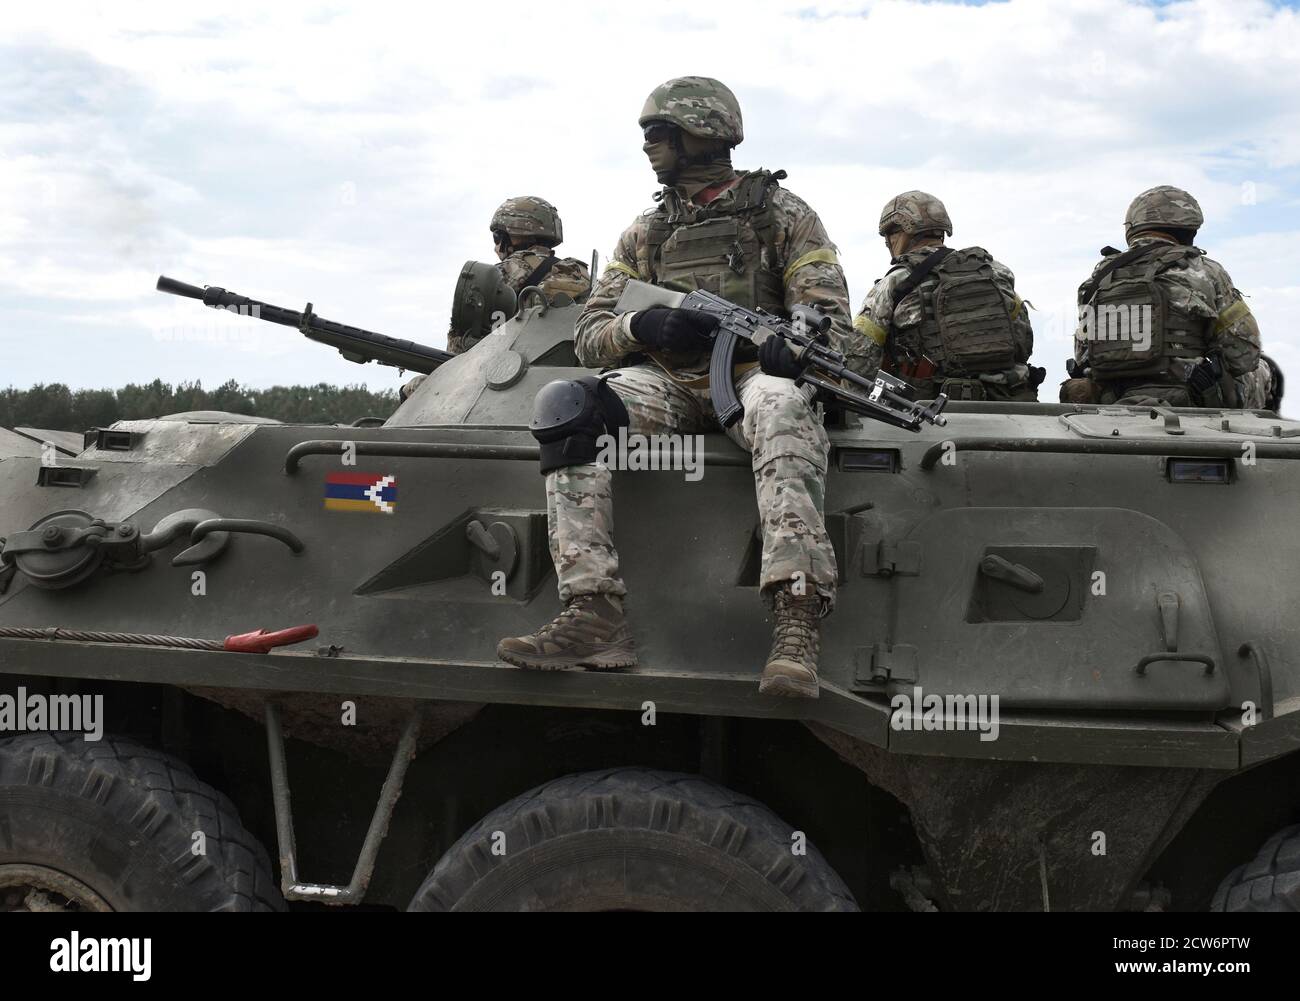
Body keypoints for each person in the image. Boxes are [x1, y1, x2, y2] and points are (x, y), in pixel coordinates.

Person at [495, 75, 854, 699]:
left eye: (660, 132)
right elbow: (591, 331)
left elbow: (827, 316)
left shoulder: (783, 215)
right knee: (568, 405)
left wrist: (791, 343)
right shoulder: (646, 232)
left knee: (785, 404)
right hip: (667, 382)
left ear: (705, 134)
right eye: (647, 134)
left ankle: (797, 618)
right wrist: (644, 323)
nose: (648, 145)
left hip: (749, 379)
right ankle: (594, 612)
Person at [1063, 185, 1268, 409]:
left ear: (1133, 228)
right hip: (1191, 397)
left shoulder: (1096, 281)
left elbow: (1083, 358)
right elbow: (1244, 355)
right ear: (1189, 229)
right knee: (1263, 371)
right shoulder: (1207, 271)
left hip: (1112, 399)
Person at [852, 191, 1039, 401]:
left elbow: (859, 358)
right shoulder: (996, 272)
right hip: (1009, 402)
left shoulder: (895, 283)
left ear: (903, 231)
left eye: (890, 235)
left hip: (927, 411)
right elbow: (1023, 342)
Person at [399, 197, 589, 400]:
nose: (496, 246)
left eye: (497, 237)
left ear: (510, 237)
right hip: (571, 379)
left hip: (504, 377)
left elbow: (457, 354)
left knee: (412, 389)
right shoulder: (581, 274)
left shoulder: (500, 275)